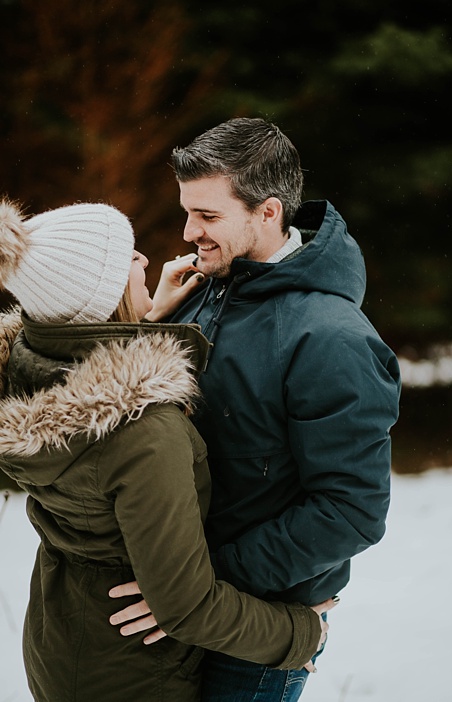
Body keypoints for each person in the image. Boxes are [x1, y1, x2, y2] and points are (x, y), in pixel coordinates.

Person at [113, 117, 401, 701]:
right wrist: (150, 323)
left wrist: (199, 582)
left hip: (255, 631)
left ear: (268, 212)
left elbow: (351, 511)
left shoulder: (331, 338)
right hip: (184, 607)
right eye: (187, 211)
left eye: (208, 216)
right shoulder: (198, 295)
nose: (189, 231)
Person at [0, 200, 330, 702]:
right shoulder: (144, 430)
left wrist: (144, 317)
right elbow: (185, 606)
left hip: (64, 639)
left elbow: (91, 386)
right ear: (102, 300)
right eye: (128, 259)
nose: (145, 261)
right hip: (132, 672)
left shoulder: (28, 373)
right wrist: (300, 633)